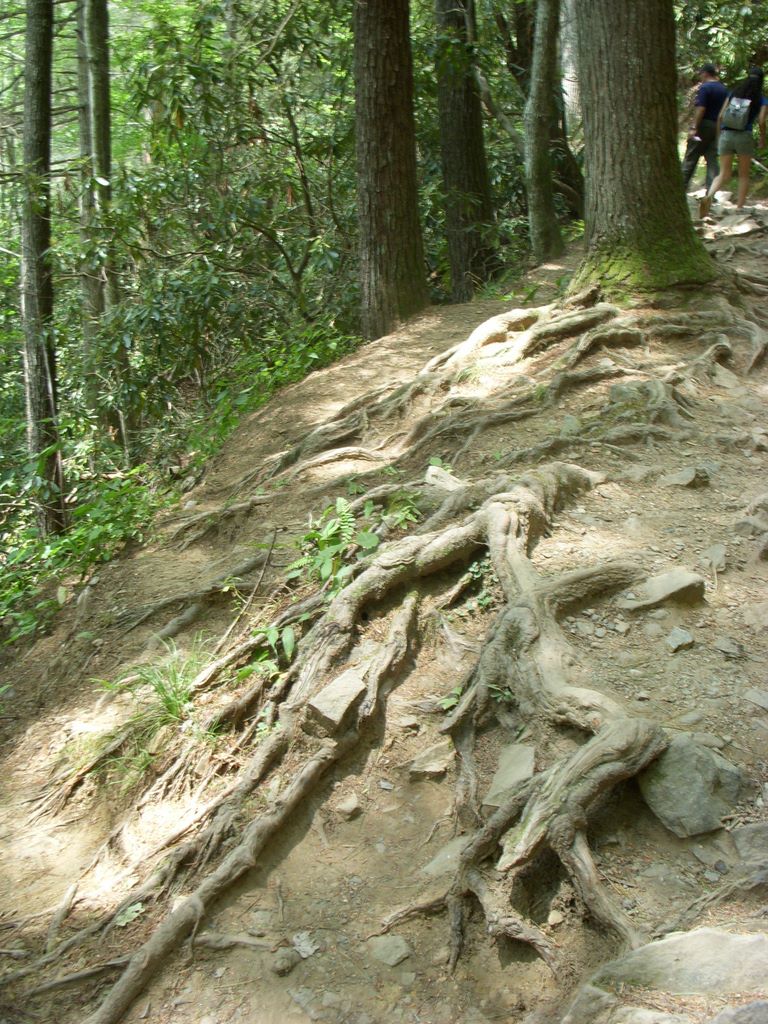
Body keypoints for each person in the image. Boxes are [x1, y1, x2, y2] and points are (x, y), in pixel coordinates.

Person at [700, 66, 767, 215]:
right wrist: (763, 138)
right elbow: (762, 120)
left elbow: (720, 116)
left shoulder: (733, 93)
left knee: (723, 173)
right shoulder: (761, 99)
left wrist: (719, 137)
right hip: (744, 136)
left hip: (726, 134)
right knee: (744, 175)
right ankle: (739, 208)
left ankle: (708, 197)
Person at [681, 63, 728, 192]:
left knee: (691, 156)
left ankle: (681, 188)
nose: (700, 76)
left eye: (701, 74)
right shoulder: (723, 89)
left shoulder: (705, 88)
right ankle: (710, 193)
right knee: (712, 159)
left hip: (703, 126)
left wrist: (694, 127)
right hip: (717, 127)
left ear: (706, 73)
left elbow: (701, 109)